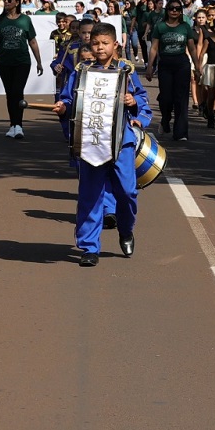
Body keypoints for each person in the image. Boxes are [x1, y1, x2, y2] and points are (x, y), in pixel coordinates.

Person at [53, 23, 151, 267]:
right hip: (90, 140)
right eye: (95, 43)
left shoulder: (126, 70)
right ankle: (89, 246)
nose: (99, 48)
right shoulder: (81, 70)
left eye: (104, 43)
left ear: (115, 44)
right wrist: (63, 107)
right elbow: (68, 97)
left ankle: (126, 230)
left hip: (121, 140)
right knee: (90, 194)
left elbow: (142, 99)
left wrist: (132, 102)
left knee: (127, 192)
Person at [0, 0, 43, 139]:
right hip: (4, 61)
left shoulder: (25, 20)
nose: (6, 2)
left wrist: (39, 62)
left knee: (18, 91)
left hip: (22, 62)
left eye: (9, 0)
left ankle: (19, 125)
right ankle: (12, 125)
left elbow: (32, 41)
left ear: (17, 2)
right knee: (10, 93)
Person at [145, 0, 194, 141]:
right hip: (165, 64)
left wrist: (197, 66)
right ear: (167, 10)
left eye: (178, 9)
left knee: (181, 98)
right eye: (171, 8)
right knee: (166, 97)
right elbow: (154, 48)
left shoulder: (185, 27)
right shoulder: (160, 27)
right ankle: (165, 119)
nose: (174, 11)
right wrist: (150, 67)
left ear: (181, 12)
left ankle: (181, 132)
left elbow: (191, 48)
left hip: (182, 64)